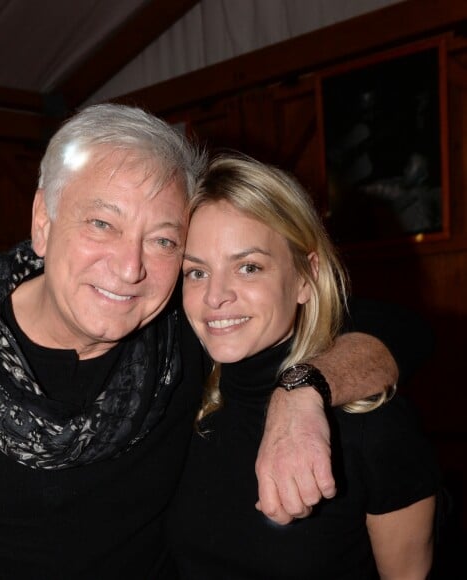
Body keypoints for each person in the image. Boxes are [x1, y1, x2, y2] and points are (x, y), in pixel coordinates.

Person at [0, 103, 425, 579]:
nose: (129, 268)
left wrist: (300, 391)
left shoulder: (182, 333)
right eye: (102, 223)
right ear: (43, 221)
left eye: (164, 240)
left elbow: (396, 327)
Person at [167, 153, 441, 579]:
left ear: (305, 278)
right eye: (196, 273)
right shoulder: (187, 404)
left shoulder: (373, 429)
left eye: (249, 267)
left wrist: (300, 390)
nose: (215, 296)